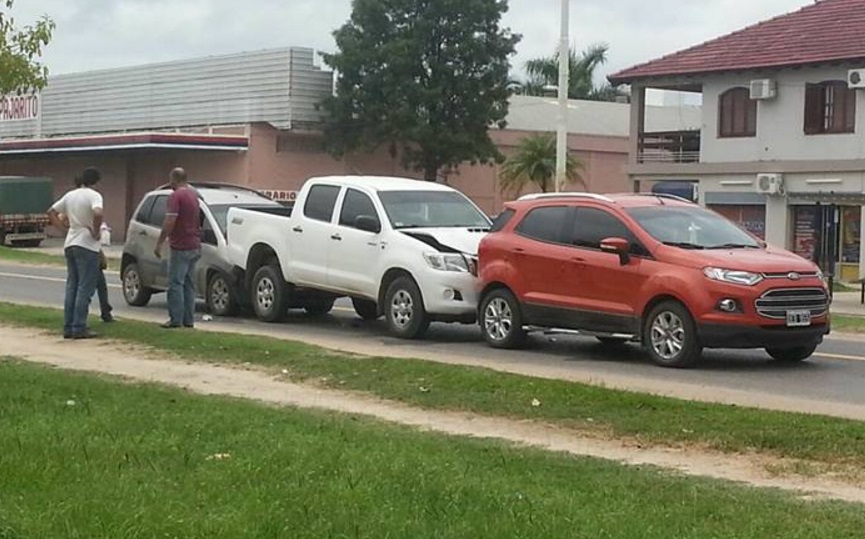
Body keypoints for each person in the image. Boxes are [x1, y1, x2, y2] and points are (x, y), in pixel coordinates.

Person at [47, 167, 104, 339]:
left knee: (72, 285)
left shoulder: (71, 195)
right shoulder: (94, 196)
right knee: (84, 288)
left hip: (70, 241)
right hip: (86, 244)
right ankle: (79, 326)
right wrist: (95, 231)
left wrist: (63, 229)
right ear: (96, 182)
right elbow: (98, 212)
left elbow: (51, 211)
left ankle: (68, 326)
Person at [155, 167, 201, 328]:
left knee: (175, 283)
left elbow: (170, 220)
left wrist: (160, 241)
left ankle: (176, 319)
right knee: (188, 284)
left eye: (171, 180)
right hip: (194, 244)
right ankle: (188, 320)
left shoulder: (176, 196)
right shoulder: (193, 195)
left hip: (180, 245)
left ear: (174, 179)